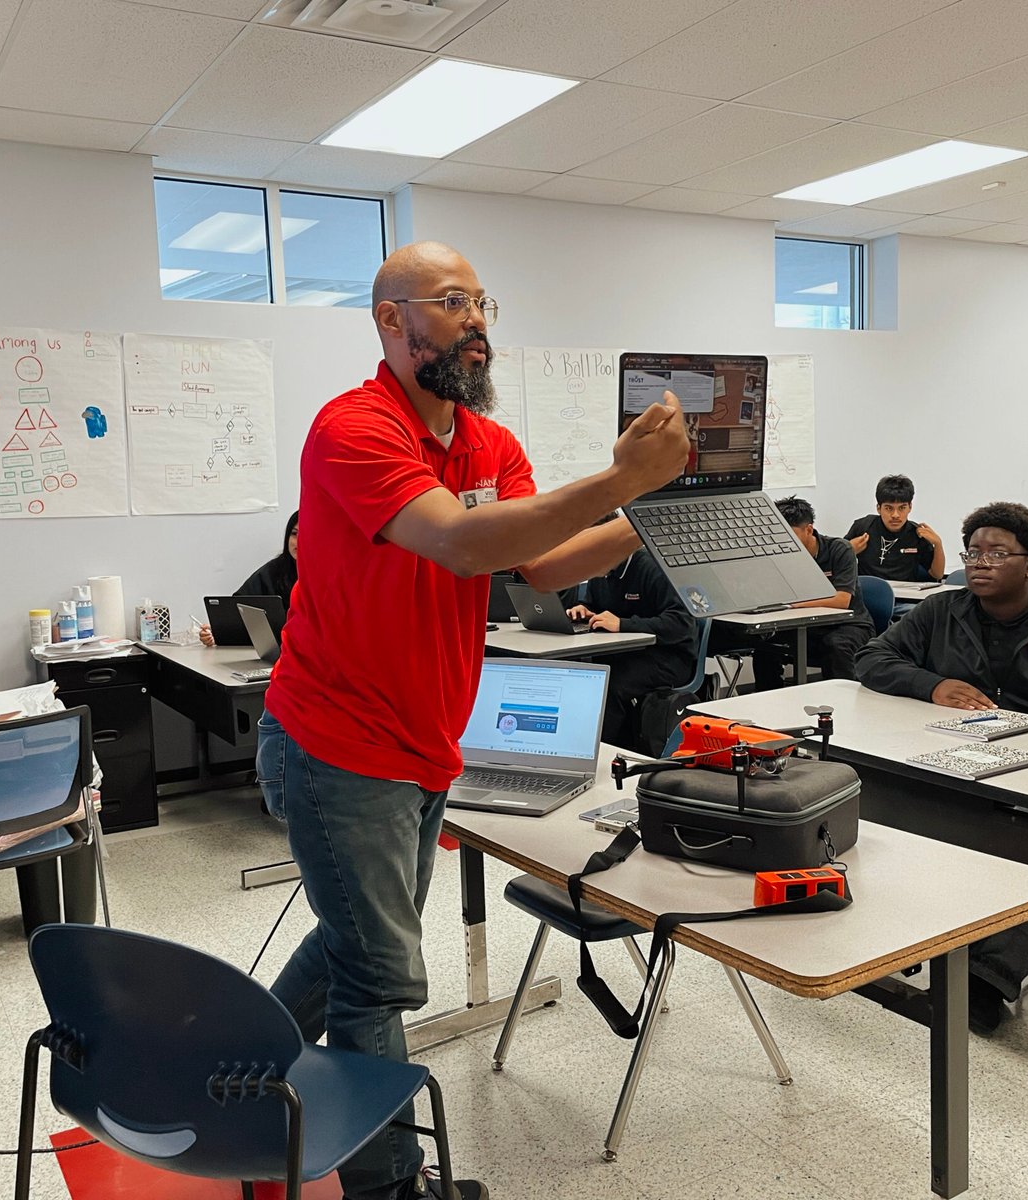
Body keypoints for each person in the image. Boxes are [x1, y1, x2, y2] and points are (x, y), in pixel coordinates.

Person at [256, 242, 689, 1200]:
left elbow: (543, 562)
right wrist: (618, 481)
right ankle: (388, 1186)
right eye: (453, 302)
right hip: (336, 742)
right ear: (390, 320)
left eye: (483, 302)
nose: (477, 321)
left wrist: (659, 510)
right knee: (379, 975)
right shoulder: (353, 426)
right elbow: (456, 542)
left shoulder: (488, 444)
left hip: (424, 741)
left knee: (355, 941)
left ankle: (241, 1073)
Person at [855, 501, 1028, 1033]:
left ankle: (985, 979)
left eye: (997, 553)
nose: (980, 562)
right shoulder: (941, 610)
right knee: (878, 798)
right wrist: (931, 685)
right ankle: (892, 935)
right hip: (948, 756)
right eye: (972, 552)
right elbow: (870, 659)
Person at [564, 529, 696, 748]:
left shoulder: (654, 567)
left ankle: (600, 750)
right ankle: (574, 742)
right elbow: (594, 604)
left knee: (608, 682)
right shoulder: (600, 570)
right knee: (578, 671)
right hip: (622, 652)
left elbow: (681, 623)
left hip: (668, 657)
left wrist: (623, 624)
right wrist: (584, 609)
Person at [749, 496, 874, 688]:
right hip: (807, 626)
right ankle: (769, 700)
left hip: (849, 625)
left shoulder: (839, 549)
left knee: (836, 645)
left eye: (790, 534)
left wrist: (793, 604)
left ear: (808, 529)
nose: (784, 541)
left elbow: (841, 600)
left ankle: (844, 700)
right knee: (766, 647)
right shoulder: (780, 556)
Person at [198, 511, 298, 646]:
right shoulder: (275, 570)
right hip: (276, 650)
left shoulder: (324, 575)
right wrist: (218, 631)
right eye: (294, 534)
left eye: (305, 534)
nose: (298, 541)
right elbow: (238, 607)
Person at [846, 474, 945, 583]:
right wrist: (849, 550)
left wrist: (938, 544)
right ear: (879, 508)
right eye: (889, 508)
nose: (895, 515)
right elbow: (836, 564)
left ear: (910, 507)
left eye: (902, 508)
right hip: (868, 590)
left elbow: (937, 574)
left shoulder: (917, 534)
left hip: (906, 592)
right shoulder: (863, 526)